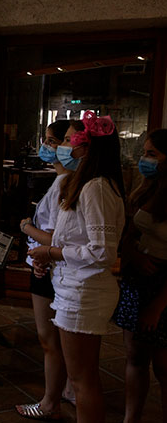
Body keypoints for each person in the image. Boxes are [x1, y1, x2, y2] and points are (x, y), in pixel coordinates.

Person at [27, 112, 125, 422]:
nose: (65, 147)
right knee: (82, 379)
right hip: (74, 287)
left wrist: (52, 251)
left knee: (83, 382)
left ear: (87, 146)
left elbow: (102, 252)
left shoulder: (96, 187)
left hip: (85, 291)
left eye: (69, 140)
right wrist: (49, 256)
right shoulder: (83, 184)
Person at [15, 119, 75, 420]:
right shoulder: (62, 180)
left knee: (48, 338)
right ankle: (63, 390)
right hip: (47, 264)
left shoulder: (69, 183)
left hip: (49, 269)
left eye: (53, 141)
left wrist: (26, 226)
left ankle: (51, 401)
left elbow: (57, 239)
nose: (47, 147)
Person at [113, 128, 167, 423]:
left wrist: (158, 305)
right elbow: (129, 234)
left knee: (162, 365)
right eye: (144, 153)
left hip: (162, 284)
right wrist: (133, 255)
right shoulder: (146, 188)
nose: (144, 160)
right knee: (134, 355)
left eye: (152, 154)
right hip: (138, 279)